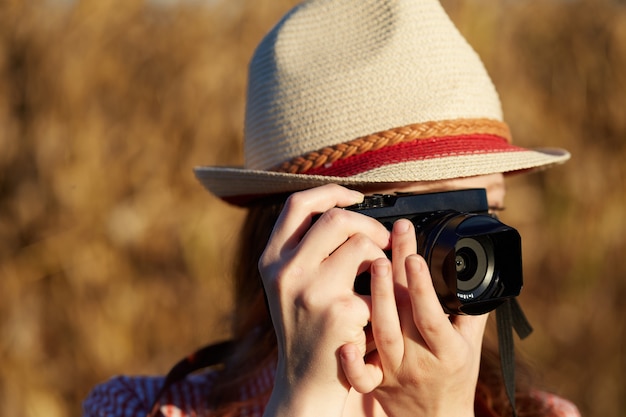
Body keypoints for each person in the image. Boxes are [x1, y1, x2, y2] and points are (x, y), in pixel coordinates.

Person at [83, 0, 581, 416]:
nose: (474, 242)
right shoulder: (146, 408)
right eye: (437, 213)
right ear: (305, 230)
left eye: (487, 209)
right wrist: (303, 401)